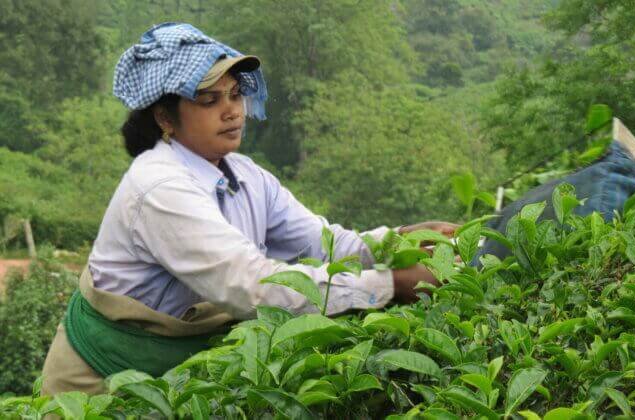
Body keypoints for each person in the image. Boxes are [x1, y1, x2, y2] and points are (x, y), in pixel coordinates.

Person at [40, 22, 455, 396]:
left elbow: (322, 242)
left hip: (173, 371)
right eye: (209, 99)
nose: (232, 110)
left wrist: (401, 239)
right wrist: (391, 284)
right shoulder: (160, 187)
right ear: (166, 117)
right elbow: (252, 287)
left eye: (236, 94)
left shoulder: (246, 175)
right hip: (97, 380)